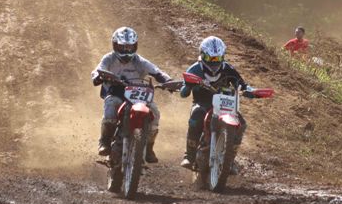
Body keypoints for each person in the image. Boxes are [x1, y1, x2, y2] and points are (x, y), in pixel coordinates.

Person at [91, 27, 171, 163]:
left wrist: (168, 81)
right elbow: (98, 70)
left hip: (139, 95)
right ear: (115, 45)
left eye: (130, 47)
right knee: (111, 106)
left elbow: (157, 72)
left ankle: (150, 147)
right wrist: (98, 77)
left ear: (135, 46)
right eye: (123, 47)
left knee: (155, 112)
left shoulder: (140, 61)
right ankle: (104, 141)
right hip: (116, 92)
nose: (127, 51)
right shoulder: (109, 58)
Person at [180, 36, 252, 171]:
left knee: (241, 124)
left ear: (222, 57)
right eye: (211, 59)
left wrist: (250, 91)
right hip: (202, 103)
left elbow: (242, 84)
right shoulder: (195, 69)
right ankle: (189, 155)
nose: (214, 63)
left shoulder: (228, 69)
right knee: (196, 116)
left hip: (225, 105)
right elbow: (183, 93)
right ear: (202, 55)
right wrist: (188, 86)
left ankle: (229, 160)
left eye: (217, 59)